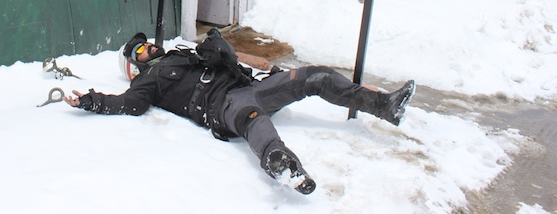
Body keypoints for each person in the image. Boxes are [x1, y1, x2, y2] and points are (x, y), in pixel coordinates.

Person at [63, 29, 415, 195]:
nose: (148, 47)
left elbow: (228, 61)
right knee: (252, 119)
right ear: (132, 64)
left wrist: (222, 52)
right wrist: (92, 101)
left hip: (251, 87)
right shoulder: (148, 81)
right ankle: (281, 163)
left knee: (315, 76)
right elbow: (129, 104)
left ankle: (385, 106)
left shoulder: (181, 52)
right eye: (138, 49)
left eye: (146, 43)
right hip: (223, 107)